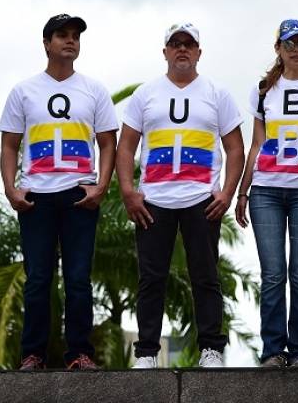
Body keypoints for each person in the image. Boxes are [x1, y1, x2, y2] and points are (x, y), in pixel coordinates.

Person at [116, 23, 246, 369]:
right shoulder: (146, 94)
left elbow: (235, 149)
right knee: (151, 279)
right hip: (155, 199)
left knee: (205, 275)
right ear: (165, 52)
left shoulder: (217, 93)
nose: (182, 49)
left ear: (199, 52)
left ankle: (211, 349)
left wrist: (228, 192)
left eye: (189, 44)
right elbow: (125, 145)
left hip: (201, 197)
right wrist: (129, 191)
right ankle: (145, 353)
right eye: (176, 44)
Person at [0, 13, 119, 370]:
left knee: (79, 278)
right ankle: (32, 354)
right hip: (36, 195)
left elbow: (108, 143)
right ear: (47, 43)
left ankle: (79, 353)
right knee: (38, 278)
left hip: (79, 194)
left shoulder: (94, 90)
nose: (71, 41)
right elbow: (9, 145)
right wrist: (11, 189)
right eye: (62, 35)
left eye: (75, 36)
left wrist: (101, 186)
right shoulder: (24, 91)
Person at [234, 19, 298, 368]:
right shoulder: (264, 90)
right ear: (278, 48)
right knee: (273, 273)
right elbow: (257, 145)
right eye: (288, 43)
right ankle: (273, 350)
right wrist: (243, 191)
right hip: (266, 189)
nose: (295, 49)